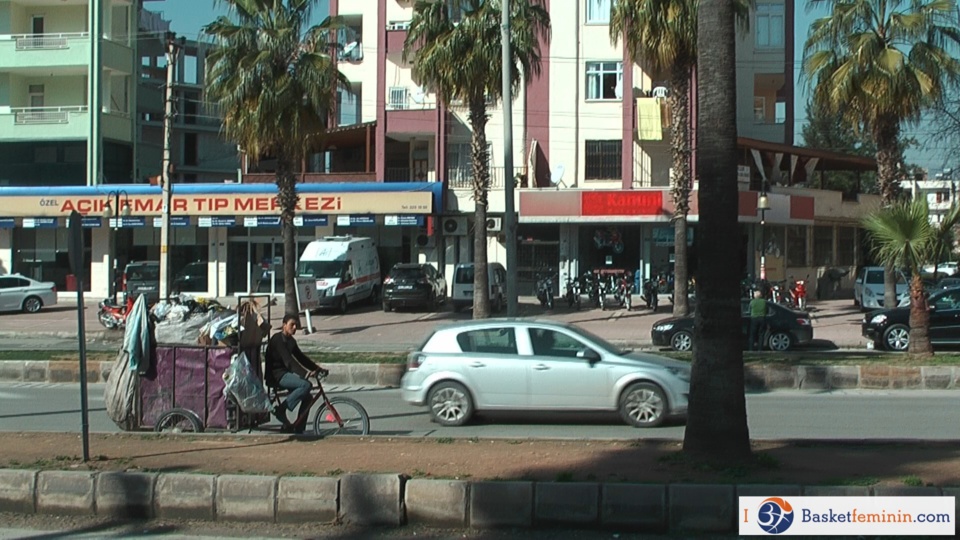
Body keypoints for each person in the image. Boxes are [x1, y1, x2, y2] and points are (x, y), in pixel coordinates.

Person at [265, 314, 329, 433]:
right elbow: (289, 361)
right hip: (276, 376)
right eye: (292, 325)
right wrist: (305, 374)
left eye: (296, 325)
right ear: (284, 326)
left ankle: (299, 428)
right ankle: (281, 409)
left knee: (308, 398)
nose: (294, 327)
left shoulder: (291, 341)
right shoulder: (277, 340)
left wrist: (318, 369)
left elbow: (301, 358)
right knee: (306, 385)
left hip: (284, 373)